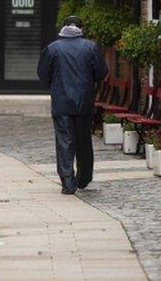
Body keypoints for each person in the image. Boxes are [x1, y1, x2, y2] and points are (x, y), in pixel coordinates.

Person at [37, 15, 109, 194]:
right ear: (80, 29)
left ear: (63, 29)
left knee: (64, 141)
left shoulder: (53, 48)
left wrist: (54, 86)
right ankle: (84, 178)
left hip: (61, 102)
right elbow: (101, 72)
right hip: (84, 102)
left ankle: (68, 182)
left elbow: (43, 73)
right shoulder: (91, 47)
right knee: (84, 140)